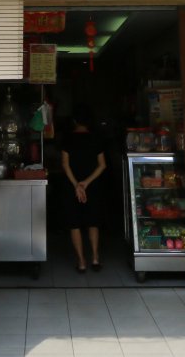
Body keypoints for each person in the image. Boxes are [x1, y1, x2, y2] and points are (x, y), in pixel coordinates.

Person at [62, 105, 107, 272]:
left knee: (74, 224)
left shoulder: (67, 139)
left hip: (71, 187)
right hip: (93, 187)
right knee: (93, 222)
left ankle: (81, 262)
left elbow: (65, 165)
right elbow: (102, 165)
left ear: (74, 121)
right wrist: (86, 183)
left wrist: (77, 185)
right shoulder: (96, 138)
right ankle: (95, 259)